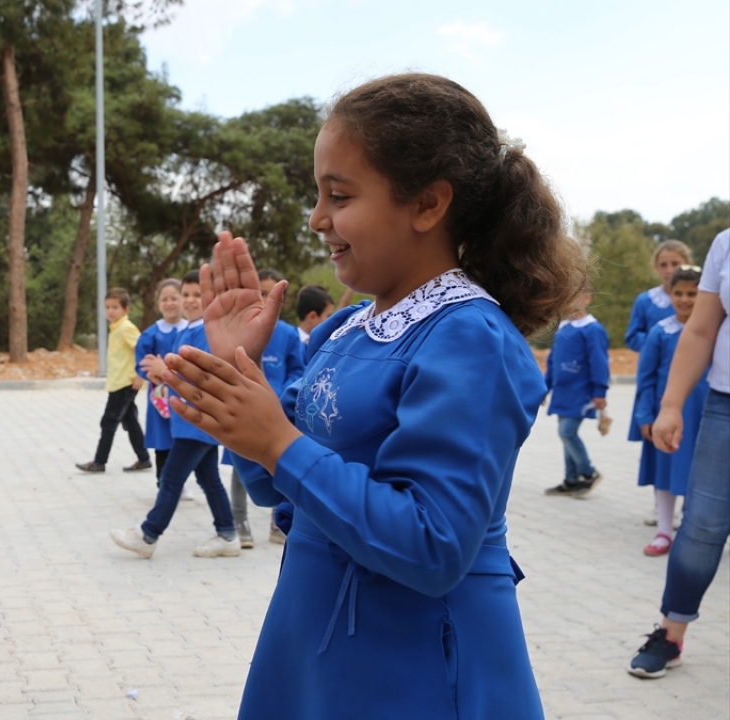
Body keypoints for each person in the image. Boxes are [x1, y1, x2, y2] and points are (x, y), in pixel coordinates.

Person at [160, 73, 586, 718]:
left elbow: (433, 545)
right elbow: (281, 487)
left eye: (340, 195)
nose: (317, 218)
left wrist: (278, 441)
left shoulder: (470, 337)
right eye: (318, 194)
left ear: (426, 204)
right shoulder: (349, 324)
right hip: (318, 637)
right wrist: (240, 377)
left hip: (412, 662)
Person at [628, 228, 729, 679]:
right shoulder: (726, 245)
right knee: (703, 523)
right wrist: (670, 405)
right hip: (725, 404)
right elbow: (702, 328)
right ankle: (671, 634)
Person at [110, 270, 240, 559]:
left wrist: (164, 372)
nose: (191, 301)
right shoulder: (187, 330)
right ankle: (228, 534)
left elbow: (201, 376)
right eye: (187, 294)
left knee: (171, 480)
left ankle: (148, 534)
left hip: (198, 419)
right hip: (190, 421)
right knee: (209, 480)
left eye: (199, 295)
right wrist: (161, 370)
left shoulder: (208, 331)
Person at [225, 269, 304, 548]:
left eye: (271, 293)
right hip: (244, 410)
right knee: (240, 469)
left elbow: (298, 368)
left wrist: (282, 394)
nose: (264, 299)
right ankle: (240, 523)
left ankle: (277, 522)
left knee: (280, 464)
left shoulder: (288, 333)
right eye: (259, 292)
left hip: (277, 414)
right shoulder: (237, 331)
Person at [632, 266, 707, 557]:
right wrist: (645, 416)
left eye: (693, 293)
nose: (685, 299)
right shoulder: (660, 332)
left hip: (703, 415)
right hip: (669, 415)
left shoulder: (714, 332)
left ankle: (695, 533)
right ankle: (664, 531)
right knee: (666, 471)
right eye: (679, 293)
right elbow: (646, 378)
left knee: (699, 474)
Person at [542, 291, 610, 497]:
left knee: (567, 432)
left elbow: (599, 361)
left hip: (581, 393)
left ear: (586, 298)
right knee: (566, 434)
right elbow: (553, 362)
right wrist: (545, 387)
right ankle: (571, 480)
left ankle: (588, 473)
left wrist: (600, 391)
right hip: (563, 393)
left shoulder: (592, 329)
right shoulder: (563, 328)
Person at [76, 287, 151, 473]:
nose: (110, 311)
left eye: (115, 307)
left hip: (125, 384)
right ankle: (144, 458)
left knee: (108, 422)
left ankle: (99, 462)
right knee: (130, 421)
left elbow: (143, 348)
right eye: (107, 307)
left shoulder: (126, 328)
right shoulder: (116, 328)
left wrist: (140, 375)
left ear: (126, 309)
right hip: (118, 382)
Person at [135, 279, 187, 484]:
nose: (170, 303)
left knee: (183, 439)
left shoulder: (190, 330)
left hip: (185, 393)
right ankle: (162, 481)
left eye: (174, 298)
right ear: (158, 303)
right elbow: (141, 362)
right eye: (164, 299)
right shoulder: (151, 334)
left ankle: (179, 482)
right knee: (162, 439)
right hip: (159, 397)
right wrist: (151, 373)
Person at [625, 240, 693, 352]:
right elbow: (633, 337)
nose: (669, 270)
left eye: (675, 263)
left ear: (688, 263)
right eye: (663, 265)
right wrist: (657, 343)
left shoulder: (702, 299)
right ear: (656, 267)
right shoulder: (645, 301)